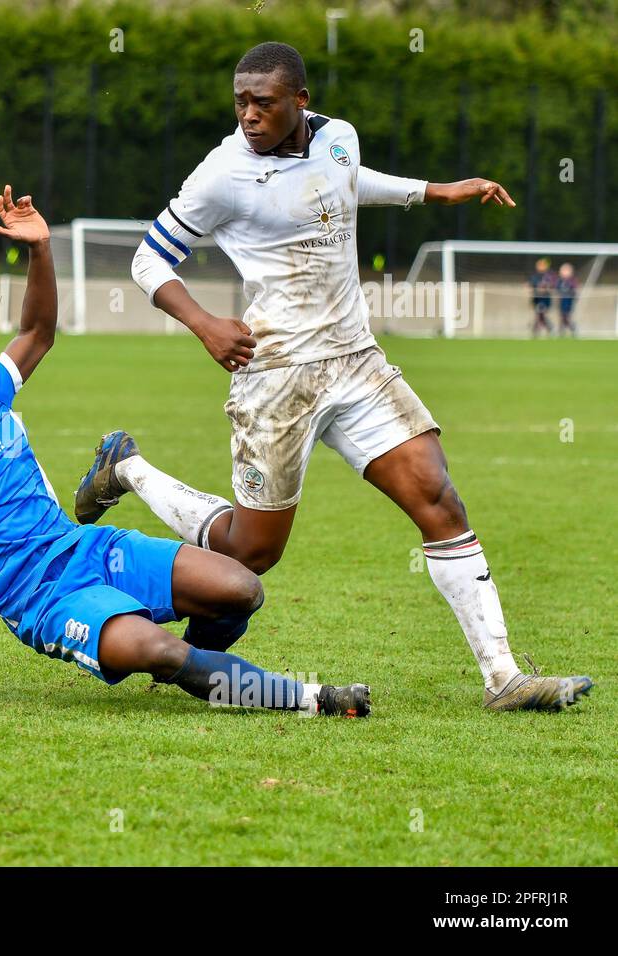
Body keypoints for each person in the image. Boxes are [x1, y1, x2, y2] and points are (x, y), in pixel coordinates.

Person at [76, 41, 591, 712]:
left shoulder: (338, 137)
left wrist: (434, 191)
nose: (249, 115)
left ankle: (504, 678)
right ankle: (129, 468)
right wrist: (204, 323)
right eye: (240, 102)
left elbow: (347, 181)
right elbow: (149, 258)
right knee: (251, 555)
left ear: (301, 102)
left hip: (356, 362)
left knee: (439, 498)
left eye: (264, 102)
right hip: (276, 375)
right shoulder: (222, 174)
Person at [0, 185, 370, 716]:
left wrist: (39, 247)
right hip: (41, 598)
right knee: (156, 649)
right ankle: (313, 699)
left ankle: (193, 665)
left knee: (241, 588)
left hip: (90, 549)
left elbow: (36, 331)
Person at [555, 262, 578, 337]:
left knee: (566, 316)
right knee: (562, 316)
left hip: (568, 301)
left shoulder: (572, 281)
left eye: (566, 271)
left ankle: (573, 329)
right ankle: (561, 332)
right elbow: (556, 289)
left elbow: (574, 290)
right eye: (563, 271)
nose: (564, 273)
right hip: (561, 301)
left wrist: (571, 293)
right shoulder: (559, 281)